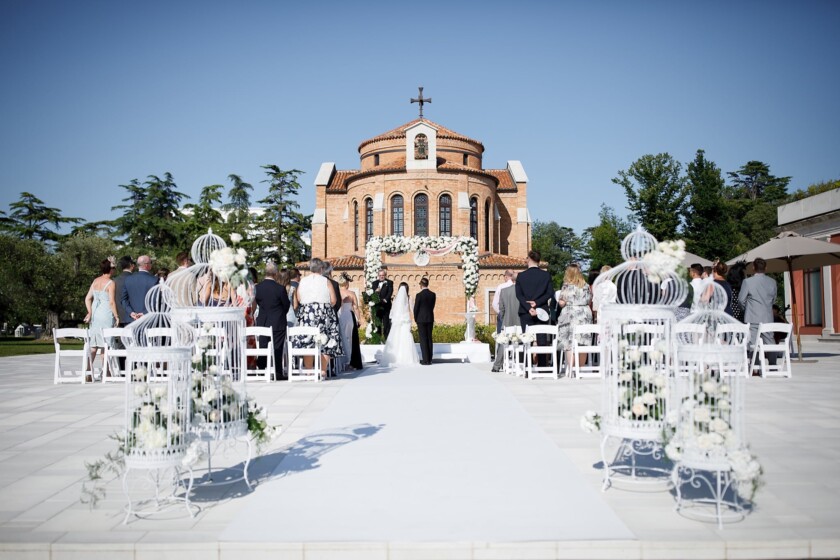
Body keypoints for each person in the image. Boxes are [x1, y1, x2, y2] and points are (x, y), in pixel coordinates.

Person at [292, 258, 342, 380]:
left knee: (307, 341)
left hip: (307, 313)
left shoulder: (303, 281)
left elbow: (298, 298)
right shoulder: (326, 281)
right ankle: (323, 371)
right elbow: (334, 300)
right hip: (324, 313)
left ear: (310, 269)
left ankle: (309, 371)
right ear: (321, 269)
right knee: (326, 341)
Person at [515, 250, 554, 365]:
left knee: (527, 339)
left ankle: (527, 366)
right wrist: (536, 303)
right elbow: (550, 293)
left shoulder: (521, 276)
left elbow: (519, 295)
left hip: (525, 312)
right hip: (541, 310)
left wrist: (528, 307)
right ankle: (542, 364)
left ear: (529, 259)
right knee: (542, 339)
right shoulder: (546, 275)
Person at [84, 258, 119, 380]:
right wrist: (116, 316)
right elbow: (112, 302)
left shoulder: (95, 281)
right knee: (105, 344)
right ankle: (106, 372)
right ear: (111, 269)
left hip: (95, 315)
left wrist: (90, 311)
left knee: (94, 344)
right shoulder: (111, 283)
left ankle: (88, 371)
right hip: (106, 314)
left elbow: (87, 298)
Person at [739, 257, 778, 367]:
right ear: (765, 268)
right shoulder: (772, 282)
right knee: (770, 342)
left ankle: (755, 367)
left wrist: (747, 309)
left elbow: (741, 300)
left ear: (753, 268)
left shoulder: (747, 282)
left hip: (752, 316)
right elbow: (773, 299)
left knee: (753, 342)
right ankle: (773, 365)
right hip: (767, 317)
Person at [255, 262, 290, 380]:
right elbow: (286, 305)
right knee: (277, 347)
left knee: (263, 345)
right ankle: (277, 372)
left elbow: (258, 303)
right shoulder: (280, 288)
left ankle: (261, 370)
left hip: (263, 320)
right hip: (278, 320)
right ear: (275, 273)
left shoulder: (257, 288)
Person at [556, 263, 593, 373]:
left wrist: (561, 301)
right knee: (583, 341)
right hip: (584, 313)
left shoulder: (566, 286)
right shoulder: (585, 285)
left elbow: (562, 303)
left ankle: (571, 369)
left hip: (570, 314)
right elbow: (589, 300)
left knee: (569, 342)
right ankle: (580, 368)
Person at [380, 282, 419, 366]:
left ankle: (394, 357)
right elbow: (412, 310)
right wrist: (415, 318)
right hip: (405, 319)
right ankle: (407, 357)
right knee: (406, 337)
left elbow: (392, 311)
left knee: (395, 337)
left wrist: (394, 319)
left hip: (397, 320)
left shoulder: (395, 298)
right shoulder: (409, 298)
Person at [492, 271, 520, 372]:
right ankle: (521, 363)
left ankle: (497, 365)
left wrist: (503, 318)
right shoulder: (524, 291)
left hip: (507, 321)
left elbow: (501, 308)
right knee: (521, 342)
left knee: (503, 343)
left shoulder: (504, 291)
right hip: (520, 321)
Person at [337, 273, 363, 371]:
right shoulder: (351, 293)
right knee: (350, 338)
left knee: (341, 337)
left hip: (339, 316)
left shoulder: (337, 292)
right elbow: (355, 307)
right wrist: (359, 319)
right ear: (347, 283)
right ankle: (351, 362)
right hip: (348, 316)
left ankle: (341, 362)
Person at [121, 255, 158, 323]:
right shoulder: (154, 280)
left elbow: (123, 300)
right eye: (151, 262)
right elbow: (156, 300)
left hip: (131, 320)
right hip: (148, 320)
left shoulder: (128, 279)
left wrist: (131, 312)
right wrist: (145, 313)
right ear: (146, 265)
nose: (151, 265)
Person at [413, 277, 436, 365]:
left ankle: (425, 360)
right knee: (429, 338)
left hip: (421, 319)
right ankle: (430, 359)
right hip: (430, 318)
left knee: (423, 339)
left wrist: (416, 318)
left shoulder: (419, 295)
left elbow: (416, 308)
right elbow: (432, 306)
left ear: (421, 285)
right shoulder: (433, 294)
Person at [372, 268, 394, 338]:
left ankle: (386, 338)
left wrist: (386, 299)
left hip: (386, 306)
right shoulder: (374, 283)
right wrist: (376, 291)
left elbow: (390, 292)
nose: (381, 276)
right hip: (378, 306)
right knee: (378, 323)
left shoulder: (389, 282)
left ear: (385, 275)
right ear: (378, 276)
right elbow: (372, 295)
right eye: (380, 275)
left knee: (386, 323)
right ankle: (378, 338)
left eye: (383, 275)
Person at [113, 256, 134, 328]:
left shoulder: (115, 280)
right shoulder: (134, 279)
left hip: (119, 317)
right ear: (131, 265)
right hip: (132, 316)